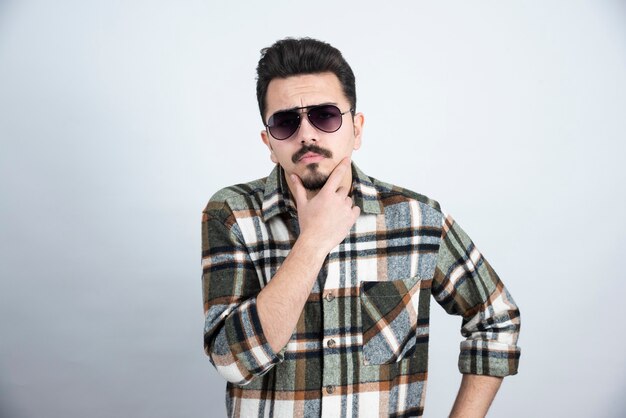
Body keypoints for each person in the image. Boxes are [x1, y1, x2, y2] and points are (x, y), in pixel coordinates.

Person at [201, 37, 521, 418]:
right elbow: (232, 362)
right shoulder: (232, 215)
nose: (307, 135)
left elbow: (496, 318)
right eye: (286, 122)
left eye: (325, 116)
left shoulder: (416, 219)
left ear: (357, 128)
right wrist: (313, 241)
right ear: (269, 143)